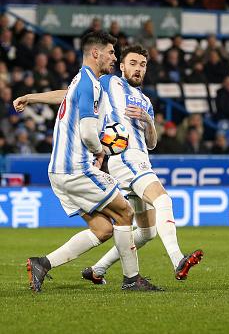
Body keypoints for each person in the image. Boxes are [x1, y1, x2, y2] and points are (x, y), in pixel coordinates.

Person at [14, 44, 203, 285]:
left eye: (142, 65)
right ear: (122, 66)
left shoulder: (146, 101)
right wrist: (32, 98)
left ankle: (97, 269)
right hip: (125, 158)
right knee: (163, 199)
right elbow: (70, 94)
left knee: (146, 232)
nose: (138, 69)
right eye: (132, 63)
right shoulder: (109, 83)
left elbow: (153, 142)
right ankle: (176, 259)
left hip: (141, 159)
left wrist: (148, 121)